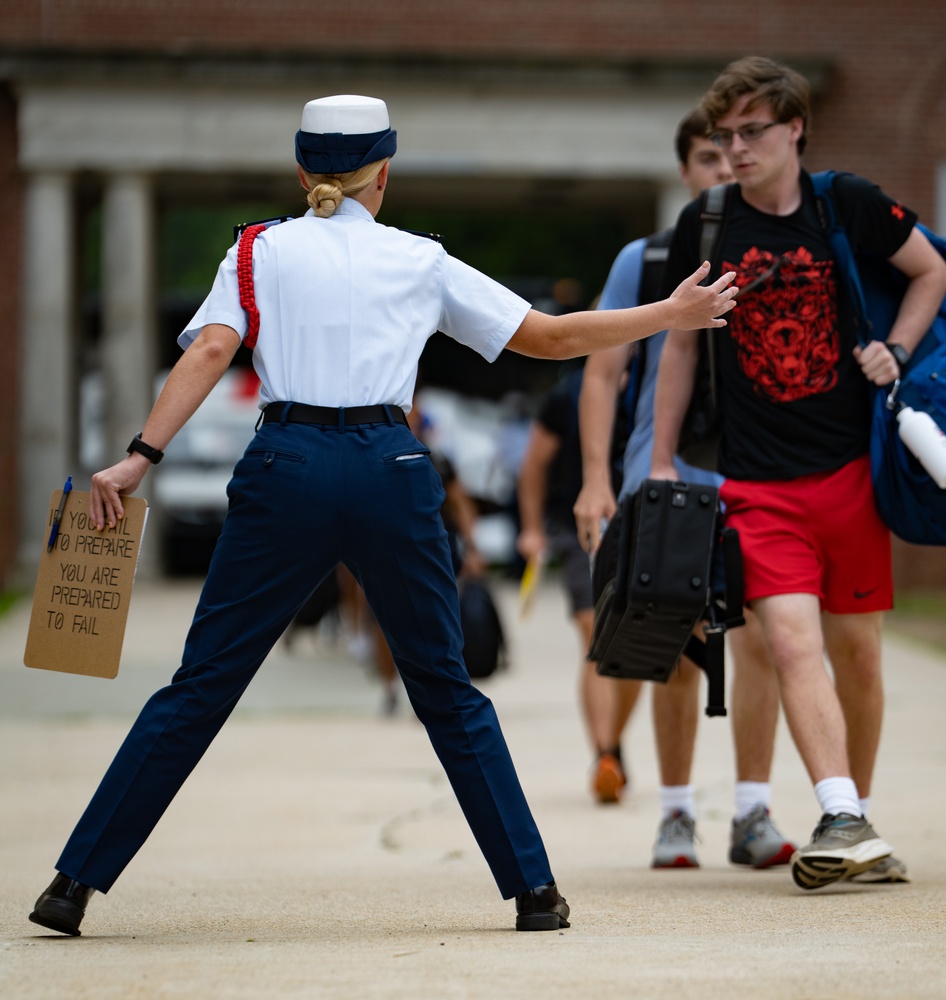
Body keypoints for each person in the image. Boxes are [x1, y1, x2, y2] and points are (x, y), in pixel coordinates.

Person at [27, 94, 738, 937]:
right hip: (388, 465)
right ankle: (534, 893)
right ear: (385, 174)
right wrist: (670, 315)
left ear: (302, 172)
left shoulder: (256, 250)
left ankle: (72, 886)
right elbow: (548, 337)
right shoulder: (420, 260)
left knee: (202, 684)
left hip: (284, 465)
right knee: (443, 686)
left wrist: (140, 454)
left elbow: (212, 350)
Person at [648, 57, 946, 889]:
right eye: (725, 135)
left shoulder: (843, 203)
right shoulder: (706, 224)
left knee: (858, 653)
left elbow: (932, 271)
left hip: (853, 472)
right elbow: (678, 342)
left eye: (752, 132)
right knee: (789, 640)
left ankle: (855, 818)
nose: (737, 148)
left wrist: (899, 348)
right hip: (755, 482)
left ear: (794, 130)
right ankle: (840, 809)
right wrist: (662, 457)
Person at [575, 107, 795, 870]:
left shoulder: (777, 250)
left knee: (765, 634)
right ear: (685, 171)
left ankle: (752, 811)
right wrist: (596, 479)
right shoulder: (649, 257)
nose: (722, 168)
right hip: (663, 469)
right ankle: (674, 815)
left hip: (753, 466)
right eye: (706, 156)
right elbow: (603, 370)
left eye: (731, 152)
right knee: (672, 632)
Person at [516, 364, 642, 805]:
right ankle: (605, 753)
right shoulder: (566, 395)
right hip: (578, 529)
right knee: (595, 634)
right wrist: (531, 529)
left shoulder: (652, 386)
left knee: (633, 647)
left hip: (643, 524)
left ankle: (613, 744)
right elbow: (533, 464)